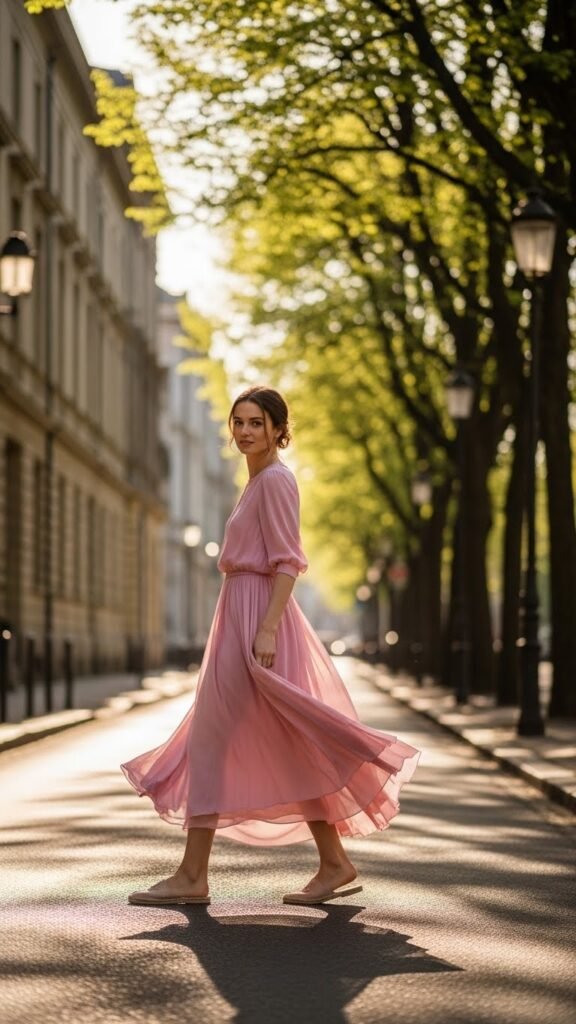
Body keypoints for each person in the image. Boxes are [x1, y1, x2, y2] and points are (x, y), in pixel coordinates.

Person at [123, 386, 420, 907]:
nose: (244, 432)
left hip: (256, 619)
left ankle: (195, 875)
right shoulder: (257, 481)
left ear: (279, 428)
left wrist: (264, 629)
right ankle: (333, 861)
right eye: (238, 422)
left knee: (211, 740)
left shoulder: (276, 481)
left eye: (256, 423)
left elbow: (288, 561)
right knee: (282, 741)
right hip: (238, 612)